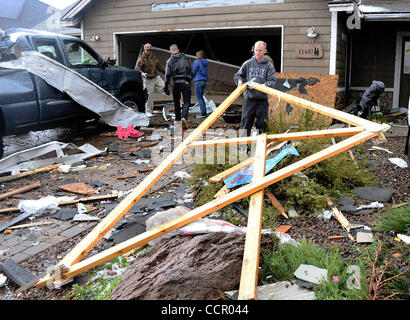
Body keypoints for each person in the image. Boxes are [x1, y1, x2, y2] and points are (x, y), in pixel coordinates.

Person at [234, 40, 276, 137]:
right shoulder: (247, 63)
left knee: (262, 124)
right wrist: (239, 82)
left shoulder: (269, 66)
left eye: (260, 50)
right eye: (256, 50)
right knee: (245, 123)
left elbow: (272, 81)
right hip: (249, 99)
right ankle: (243, 148)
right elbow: (238, 76)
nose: (258, 53)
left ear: (265, 51)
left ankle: (261, 147)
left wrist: (264, 86)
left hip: (262, 100)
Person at [164, 44, 193, 129]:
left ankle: (178, 121)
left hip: (176, 83)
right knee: (187, 101)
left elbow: (167, 75)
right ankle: (184, 117)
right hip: (186, 82)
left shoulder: (170, 60)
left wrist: (166, 86)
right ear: (178, 50)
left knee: (176, 102)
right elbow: (192, 71)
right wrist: (189, 80)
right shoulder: (186, 58)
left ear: (170, 51)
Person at [136, 43, 165, 118]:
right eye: (148, 50)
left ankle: (162, 91)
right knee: (149, 96)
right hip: (147, 79)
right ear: (145, 50)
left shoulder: (153, 57)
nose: (149, 51)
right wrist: (142, 73)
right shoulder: (141, 58)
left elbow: (159, 67)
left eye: (150, 50)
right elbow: (137, 69)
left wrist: (166, 72)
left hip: (155, 77)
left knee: (164, 86)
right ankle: (148, 111)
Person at [192, 50, 208, 118]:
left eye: (196, 55)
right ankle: (204, 112)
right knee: (201, 97)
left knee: (199, 98)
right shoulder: (205, 62)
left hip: (198, 81)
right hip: (204, 81)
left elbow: (193, 71)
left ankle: (203, 114)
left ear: (198, 56)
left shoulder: (196, 62)